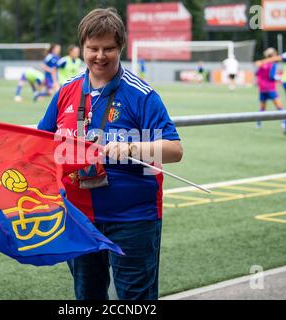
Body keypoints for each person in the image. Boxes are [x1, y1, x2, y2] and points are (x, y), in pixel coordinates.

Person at [37, 8, 183, 300]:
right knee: (87, 296)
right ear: (82, 48)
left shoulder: (141, 95)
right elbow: (41, 143)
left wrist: (131, 148)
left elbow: (174, 150)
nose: (100, 56)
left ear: (121, 48)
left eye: (109, 49)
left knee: (135, 298)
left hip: (133, 218)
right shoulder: (66, 91)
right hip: (78, 217)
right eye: (93, 48)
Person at [254, 48, 284, 129]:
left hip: (262, 89)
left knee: (262, 107)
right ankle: (284, 122)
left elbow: (256, 74)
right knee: (279, 106)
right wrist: (279, 77)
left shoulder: (262, 63)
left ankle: (258, 123)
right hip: (270, 88)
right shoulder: (272, 64)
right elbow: (271, 76)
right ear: (273, 55)